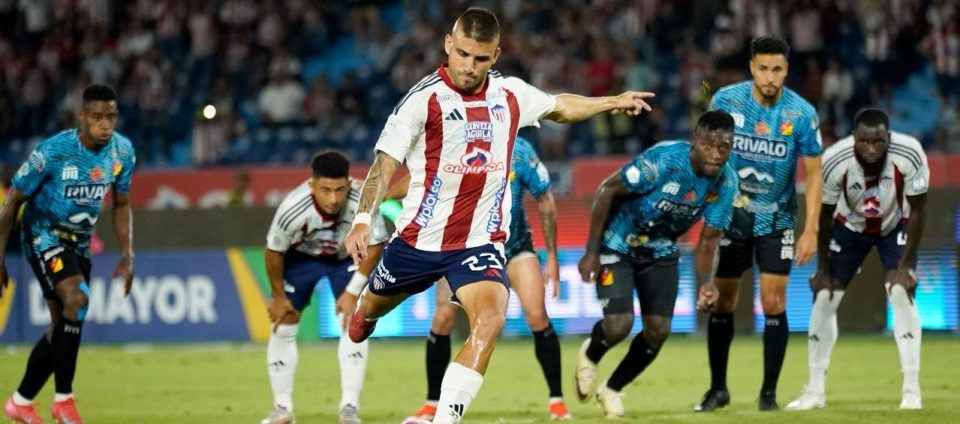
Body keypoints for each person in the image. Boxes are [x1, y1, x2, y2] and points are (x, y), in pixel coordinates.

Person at [342, 7, 654, 424]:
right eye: (463, 54)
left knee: (490, 320)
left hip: (480, 243)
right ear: (448, 45)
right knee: (369, 313)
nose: (469, 67)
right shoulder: (422, 100)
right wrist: (362, 220)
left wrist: (612, 101)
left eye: (481, 58)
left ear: (496, 55)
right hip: (418, 241)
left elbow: (560, 106)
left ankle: (445, 419)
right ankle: (366, 311)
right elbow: (384, 166)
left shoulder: (510, 94)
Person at [573, 111, 739, 418]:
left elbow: (708, 240)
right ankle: (592, 353)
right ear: (695, 140)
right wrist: (591, 251)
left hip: (662, 251)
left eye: (724, 147)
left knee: (658, 331)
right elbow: (608, 189)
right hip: (619, 244)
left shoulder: (727, 182)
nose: (716, 155)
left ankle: (612, 389)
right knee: (618, 326)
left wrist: (706, 283)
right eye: (709, 146)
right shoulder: (663, 161)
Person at [398, 136, 570, 422]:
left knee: (537, 316)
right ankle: (431, 403)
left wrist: (552, 255)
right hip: (464, 250)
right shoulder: (459, 140)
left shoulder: (520, 150)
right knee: (442, 319)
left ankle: (557, 402)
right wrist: (385, 195)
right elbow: (423, 178)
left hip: (514, 247)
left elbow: (545, 199)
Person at [695, 35, 824, 412]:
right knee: (724, 303)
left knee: (773, 302)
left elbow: (814, 174)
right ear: (752, 67)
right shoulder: (726, 101)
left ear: (786, 70)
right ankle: (717, 389)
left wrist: (811, 230)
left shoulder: (801, 114)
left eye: (777, 69)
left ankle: (768, 395)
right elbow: (707, 152)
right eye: (763, 68)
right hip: (731, 216)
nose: (770, 77)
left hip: (777, 219)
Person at [0, 84, 136, 424]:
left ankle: (20, 402)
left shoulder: (122, 152)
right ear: (83, 117)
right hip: (42, 234)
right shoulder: (54, 151)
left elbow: (121, 205)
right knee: (77, 299)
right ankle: (64, 401)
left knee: (64, 324)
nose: (105, 125)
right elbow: (12, 202)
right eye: (97, 117)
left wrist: (127, 252)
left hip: (80, 243)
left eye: (111, 117)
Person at [785, 109, 928, 411]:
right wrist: (822, 269)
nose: (872, 149)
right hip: (849, 226)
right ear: (853, 138)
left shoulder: (910, 152)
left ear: (889, 138)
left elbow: (918, 209)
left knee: (900, 292)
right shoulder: (834, 160)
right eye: (864, 142)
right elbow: (824, 216)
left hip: (894, 224)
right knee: (824, 297)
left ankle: (912, 391)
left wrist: (905, 266)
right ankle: (815, 391)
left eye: (878, 142)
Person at [261, 151, 391, 424]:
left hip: (346, 258)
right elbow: (273, 252)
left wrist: (353, 290)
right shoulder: (292, 208)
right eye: (326, 190)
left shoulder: (363, 200)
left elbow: (376, 244)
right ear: (312, 185)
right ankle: (282, 409)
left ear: (349, 184)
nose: (333, 199)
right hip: (302, 258)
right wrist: (278, 297)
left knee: (354, 319)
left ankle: (349, 408)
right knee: (284, 320)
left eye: (340, 189)